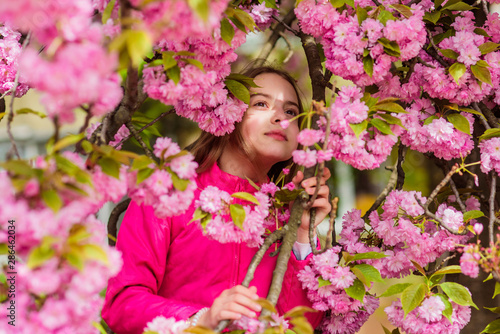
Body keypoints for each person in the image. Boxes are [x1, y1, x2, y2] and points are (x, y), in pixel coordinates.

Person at [102, 66, 332, 333]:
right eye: (261, 103)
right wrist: (202, 320)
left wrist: (302, 233)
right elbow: (122, 303)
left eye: (291, 111)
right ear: (228, 112)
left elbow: (299, 324)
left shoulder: (282, 213)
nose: (280, 117)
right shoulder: (169, 192)